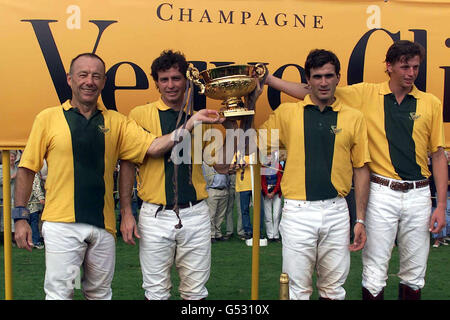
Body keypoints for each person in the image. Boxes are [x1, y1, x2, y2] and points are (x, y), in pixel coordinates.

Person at [13, 52, 221, 300]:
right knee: (61, 293)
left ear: (103, 82)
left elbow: (153, 147)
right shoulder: (48, 118)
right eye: (83, 75)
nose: (89, 81)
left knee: (100, 294)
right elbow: (26, 169)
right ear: (70, 79)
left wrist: (207, 122)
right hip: (62, 225)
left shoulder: (117, 122)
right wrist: (21, 217)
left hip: (104, 226)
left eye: (96, 76)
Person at [266, 40, 447, 300]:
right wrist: (269, 80)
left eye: (415, 67)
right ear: (389, 66)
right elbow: (312, 90)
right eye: (405, 67)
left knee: (415, 273)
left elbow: (438, 156)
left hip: (419, 194)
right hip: (382, 191)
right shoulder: (366, 94)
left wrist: (440, 205)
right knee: (374, 272)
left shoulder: (430, 103)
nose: (411, 73)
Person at [259, 49, 371, 300]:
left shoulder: (354, 117)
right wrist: (240, 115)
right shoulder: (287, 114)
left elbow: (361, 169)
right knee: (298, 289)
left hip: (337, 210)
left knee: (333, 289)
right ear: (307, 81)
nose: (323, 82)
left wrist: (360, 218)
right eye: (317, 76)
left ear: (338, 78)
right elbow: (255, 144)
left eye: (328, 76)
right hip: (298, 212)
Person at [119, 50, 227, 300]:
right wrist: (126, 212)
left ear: (187, 81)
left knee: (195, 292)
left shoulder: (200, 117)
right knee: (156, 291)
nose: (170, 85)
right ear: (156, 82)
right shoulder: (140, 115)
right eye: (164, 79)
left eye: (176, 78)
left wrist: (231, 125)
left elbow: (221, 166)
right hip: (155, 214)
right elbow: (138, 158)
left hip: (196, 213)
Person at [203, 161, 230, 242]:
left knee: (221, 214)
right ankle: (211, 235)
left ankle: (218, 233)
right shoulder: (206, 163)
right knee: (212, 214)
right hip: (212, 190)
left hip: (224, 190)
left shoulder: (223, 163)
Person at [261, 152, 283, 242]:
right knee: (268, 215)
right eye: (267, 156)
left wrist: (274, 192)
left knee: (276, 214)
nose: (269, 157)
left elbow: (279, 180)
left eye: (270, 156)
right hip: (267, 193)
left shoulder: (278, 166)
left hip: (276, 192)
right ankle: (270, 235)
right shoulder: (263, 167)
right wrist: (267, 192)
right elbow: (262, 181)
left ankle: (276, 235)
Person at [27, 172, 45, 249]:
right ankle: (35, 242)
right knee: (33, 223)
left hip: (24, 203)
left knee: (27, 223)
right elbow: (36, 186)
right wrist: (41, 197)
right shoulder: (34, 173)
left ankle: (28, 242)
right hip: (32, 205)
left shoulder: (22, 172)